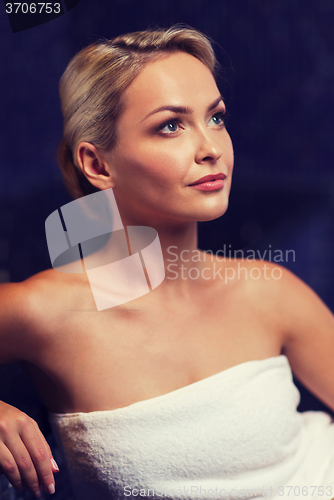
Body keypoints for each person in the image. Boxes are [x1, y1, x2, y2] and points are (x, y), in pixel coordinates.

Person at [1, 25, 334, 500]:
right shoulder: (44, 311)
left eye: (215, 118)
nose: (211, 149)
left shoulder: (268, 288)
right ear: (98, 165)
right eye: (171, 125)